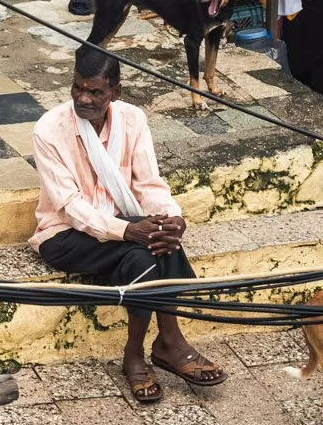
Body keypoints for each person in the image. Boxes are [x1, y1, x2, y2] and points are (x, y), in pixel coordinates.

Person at [32, 45, 223, 404]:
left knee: (150, 251)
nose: (83, 98)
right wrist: (127, 230)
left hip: (123, 225)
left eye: (95, 91)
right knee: (144, 244)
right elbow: (71, 207)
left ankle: (138, 353)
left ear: (115, 93)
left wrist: (173, 219)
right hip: (64, 235)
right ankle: (169, 343)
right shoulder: (50, 130)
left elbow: (148, 185)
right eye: (77, 88)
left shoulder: (132, 120)